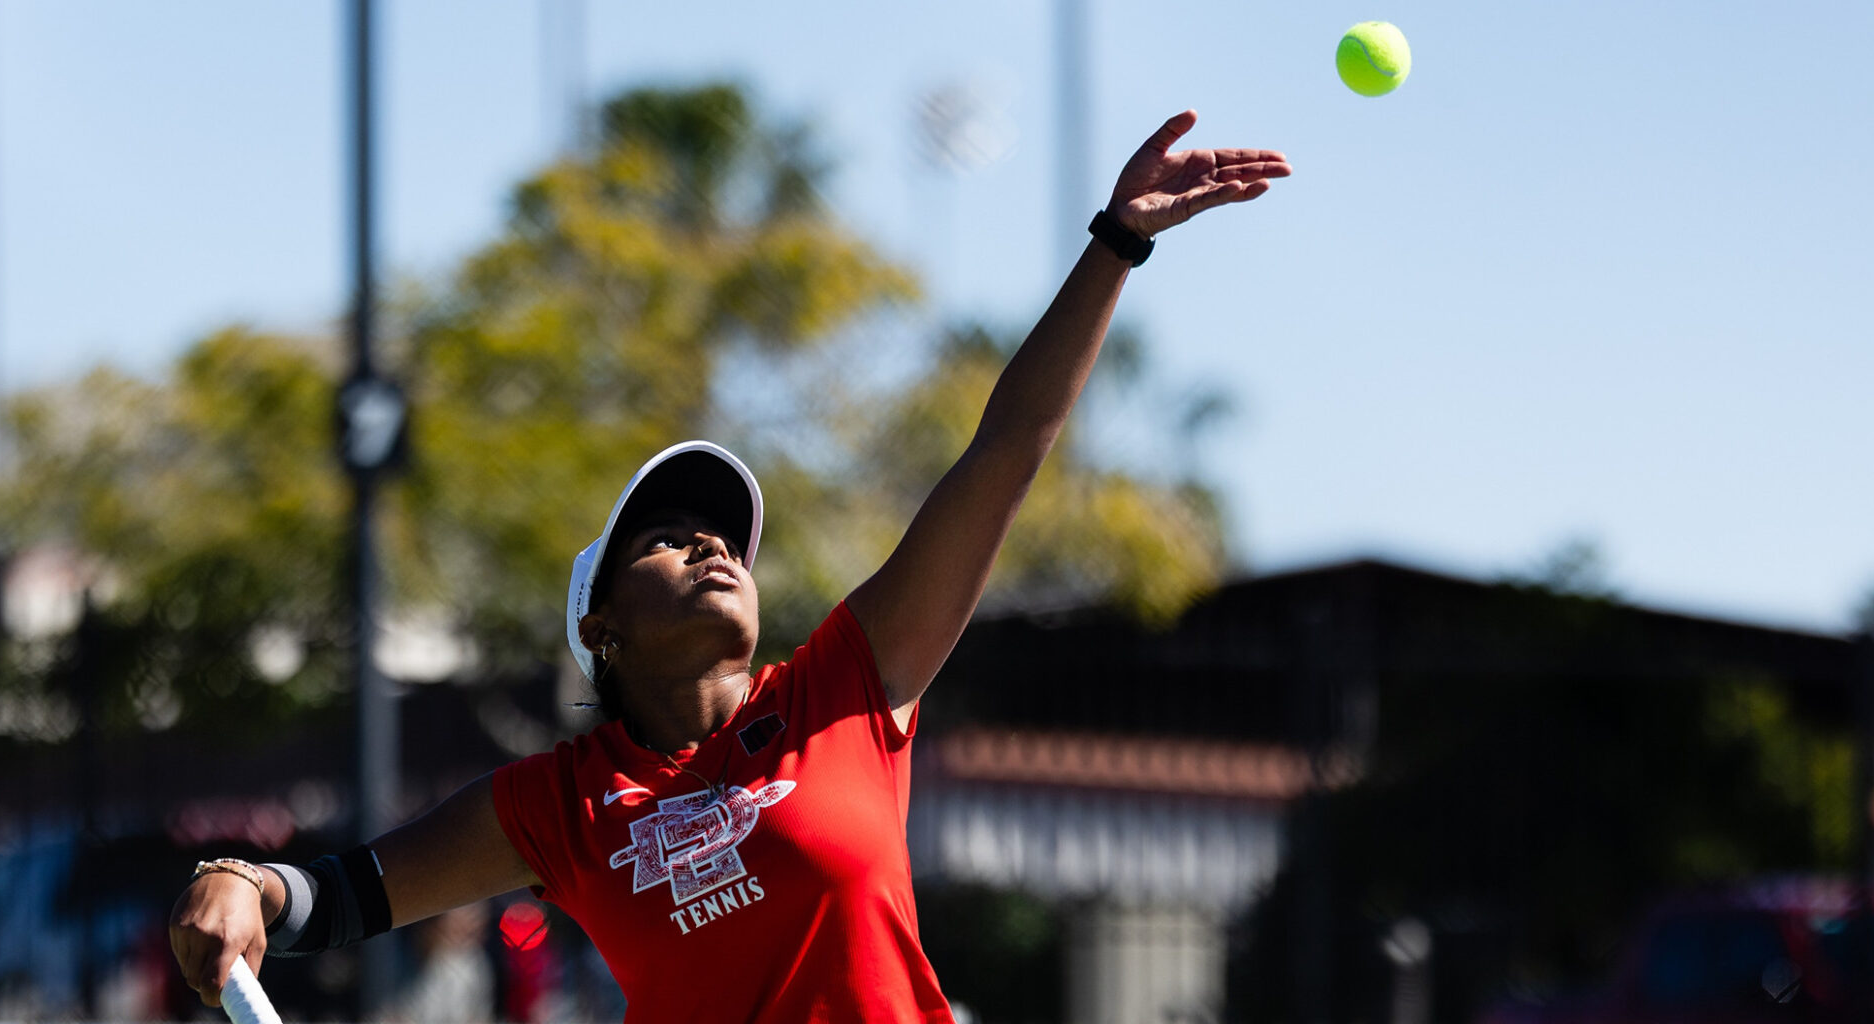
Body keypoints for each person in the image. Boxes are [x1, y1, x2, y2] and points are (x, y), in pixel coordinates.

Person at [169, 109, 1290, 1023]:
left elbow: (1004, 453)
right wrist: (241, 881)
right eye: (664, 535)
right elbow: (347, 894)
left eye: (722, 534)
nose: (711, 544)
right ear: (600, 626)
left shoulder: (843, 690)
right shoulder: (563, 802)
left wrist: (1116, 243)